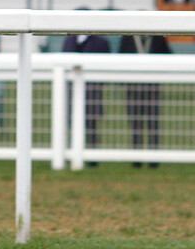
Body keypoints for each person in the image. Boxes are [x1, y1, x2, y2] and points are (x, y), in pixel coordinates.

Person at [119, 33, 171, 168]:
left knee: (153, 123)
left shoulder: (158, 38)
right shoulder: (128, 38)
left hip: (153, 86)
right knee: (135, 124)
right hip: (133, 87)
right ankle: (137, 159)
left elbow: (168, 56)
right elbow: (120, 58)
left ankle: (153, 159)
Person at [63, 31, 110, 167]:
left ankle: (92, 158)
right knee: (71, 124)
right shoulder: (69, 40)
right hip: (72, 90)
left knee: (91, 126)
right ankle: (71, 156)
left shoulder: (101, 42)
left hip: (92, 91)